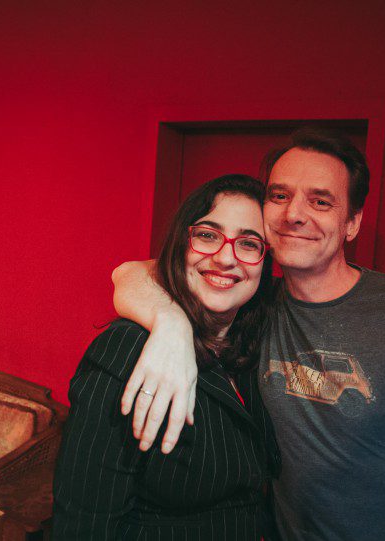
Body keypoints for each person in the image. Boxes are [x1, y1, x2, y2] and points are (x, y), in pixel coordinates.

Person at [112, 128, 385, 540]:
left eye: (320, 201)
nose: (293, 214)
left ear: (352, 223)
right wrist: (172, 326)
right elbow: (129, 273)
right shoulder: (250, 304)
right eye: (279, 196)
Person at [52, 174, 280, 540]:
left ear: (265, 262)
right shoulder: (127, 350)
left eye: (250, 243)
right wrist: (172, 322)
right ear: (180, 245)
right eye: (207, 235)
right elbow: (84, 523)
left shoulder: (255, 339)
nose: (225, 257)